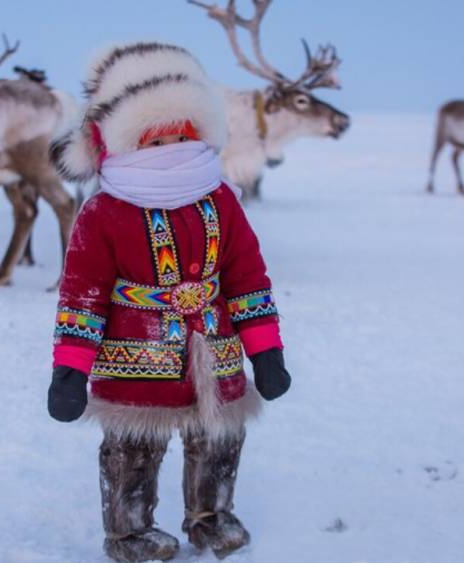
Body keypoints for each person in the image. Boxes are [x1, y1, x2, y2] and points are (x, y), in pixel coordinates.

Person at [47, 41, 291, 562]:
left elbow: (247, 276)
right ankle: (129, 531)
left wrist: (266, 351)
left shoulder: (220, 199)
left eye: (184, 134)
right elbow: (83, 297)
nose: (174, 146)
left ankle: (212, 514)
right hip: (136, 356)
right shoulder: (105, 212)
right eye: (157, 139)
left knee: (220, 439)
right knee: (134, 447)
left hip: (215, 347)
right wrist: (69, 370)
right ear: (124, 143)